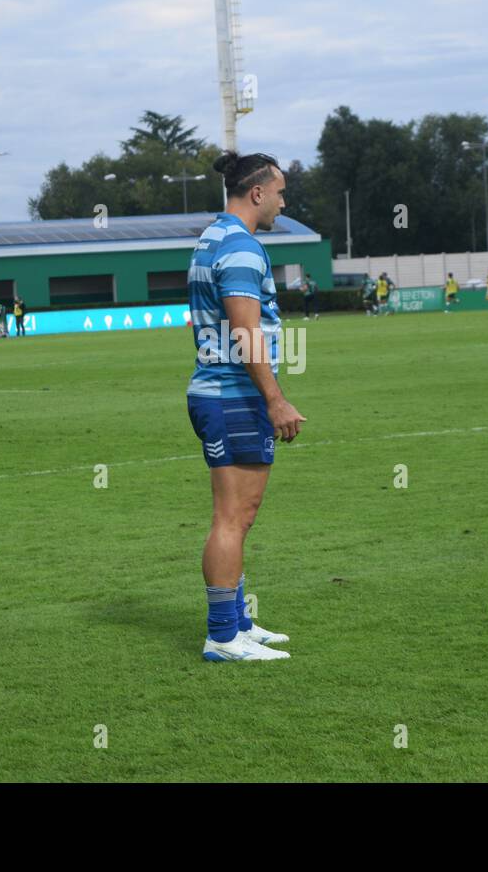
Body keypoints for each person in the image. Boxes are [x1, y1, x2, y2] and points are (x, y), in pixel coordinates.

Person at [186, 151, 302, 662]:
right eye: (279, 191)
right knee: (233, 517)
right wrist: (275, 399)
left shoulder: (213, 238)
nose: (283, 200)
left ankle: (238, 623)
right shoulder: (240, 248)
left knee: (241, 516)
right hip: (234, 395)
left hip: (220, 393)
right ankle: (223, 636)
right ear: (257, 193)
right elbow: (245, 332)